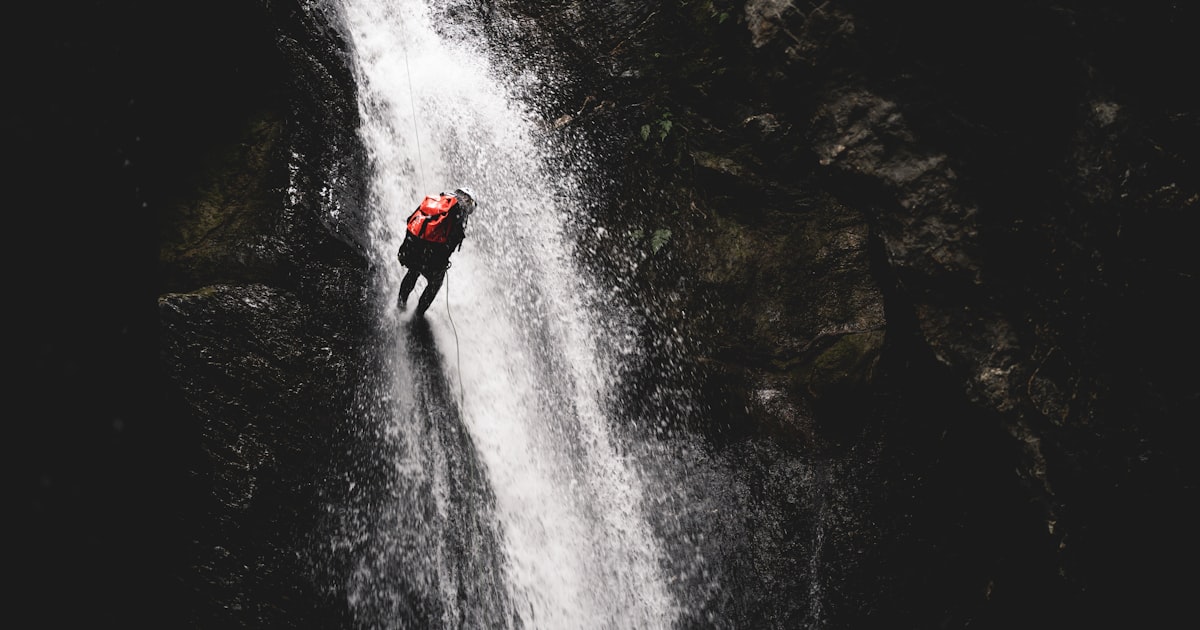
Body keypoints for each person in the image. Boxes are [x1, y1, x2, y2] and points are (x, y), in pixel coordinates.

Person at [397, 187, 476, 316]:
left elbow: (410, 220)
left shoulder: (439, 200)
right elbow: (450, 245)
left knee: (413, 272)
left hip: (414, 248)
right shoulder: (459, 213)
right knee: (436, 282)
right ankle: (418, 314)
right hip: (432, 258)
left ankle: (400, 305)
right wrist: (442, 261)